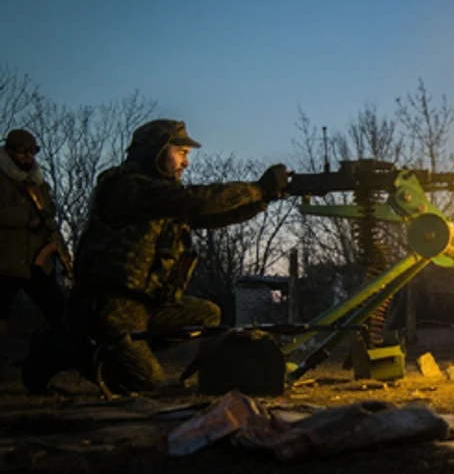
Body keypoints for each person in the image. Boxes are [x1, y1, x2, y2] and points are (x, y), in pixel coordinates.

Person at [22, 119, 290, 394]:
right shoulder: (127, 187)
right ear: (157, 151)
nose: (186, 163)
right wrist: (257, 188)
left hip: (147, 305)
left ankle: (123, 348)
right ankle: (64, 344)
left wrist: (263, 199)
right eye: (181, 153)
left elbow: (213, 214)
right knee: (144, 382)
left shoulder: (161, 199)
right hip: (108, 305)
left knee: (207, 315)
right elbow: (197, 200)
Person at [0, 128, 68, 338]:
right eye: (23, 151)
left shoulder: (37, 183)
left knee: (61, 315)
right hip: (5, 260)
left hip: (37, 261)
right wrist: (26, 219)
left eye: (33, 150)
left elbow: (49, 214)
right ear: (10, 151)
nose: (29, 156)